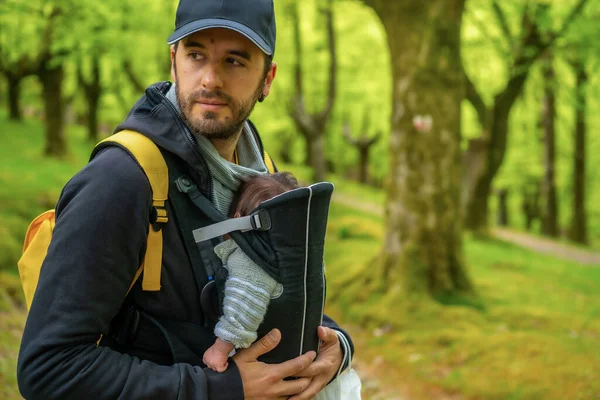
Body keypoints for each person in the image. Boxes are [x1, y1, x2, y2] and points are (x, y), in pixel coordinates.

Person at [16, 0, 354, 399]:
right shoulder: (120, 181)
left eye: (235, 61)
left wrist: (338, 347)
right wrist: (222, 388)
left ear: (268, 78)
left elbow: (271, 292)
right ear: (173, 61)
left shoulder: (259, 170)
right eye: (196, 55)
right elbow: (48, 368)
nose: (210, 79)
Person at [203, 172, 299, 372]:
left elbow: (244, 305)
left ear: (237, 219)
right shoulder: (294, 255)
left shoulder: (249, 259)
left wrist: (220, 350)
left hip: (262, 363)